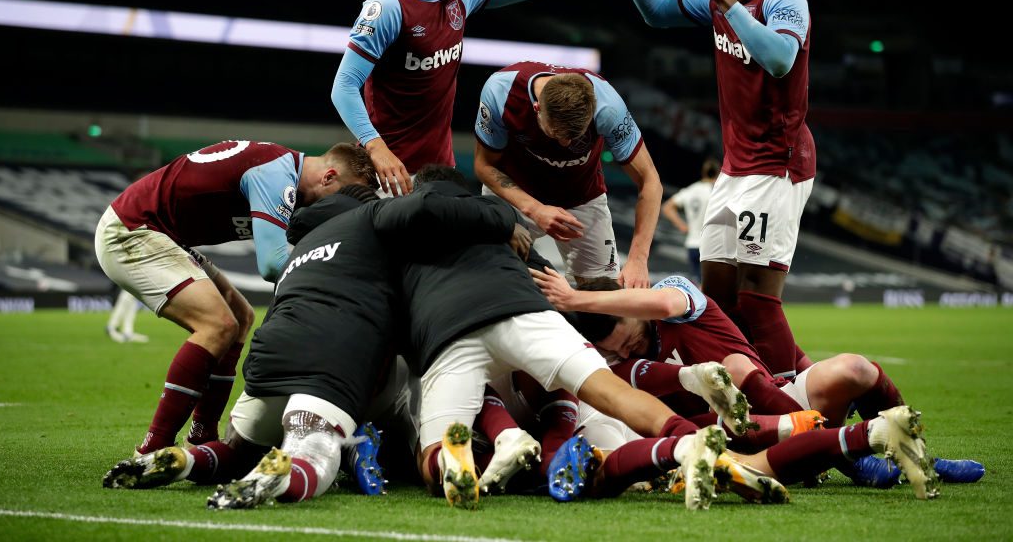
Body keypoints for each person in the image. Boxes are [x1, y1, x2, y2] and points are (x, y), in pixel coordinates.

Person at [103, 181, 528, 508]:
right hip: (330, 355)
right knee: (316, 449)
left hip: (269, 355)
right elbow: (426, 207)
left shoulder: (305, 244)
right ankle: (291, 475)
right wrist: (503, 218)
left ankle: (186, 461)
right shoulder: (375, 222)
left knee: (238, 451)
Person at [401, 166, 767, 511]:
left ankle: (476, 451)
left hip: (453, 329)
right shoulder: (500, 224)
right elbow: (545, 277)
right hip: (530, 314)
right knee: (615, 395)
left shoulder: (404, 231)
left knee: (431, 453)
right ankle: (688, 442)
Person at [609, 0, 814, 380]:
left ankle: (798, 413)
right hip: (734, 166)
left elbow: (781, 59)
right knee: (717, 298)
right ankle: (775, 386)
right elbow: (655, 12)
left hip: (776, 164)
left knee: (758, 302)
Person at [532, 268, 979, 488]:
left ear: (629, 307)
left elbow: (666, 306)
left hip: (779, 399)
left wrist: (577, 297)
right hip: (732, 437)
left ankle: (911, 452)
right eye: (616, 351)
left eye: (626, 339)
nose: (625, 351)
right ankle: (853, 450)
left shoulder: (673, 291)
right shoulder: (617, 366)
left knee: (856, 368)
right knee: (725, 386)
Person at [95, 140, 376, 456]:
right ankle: (153, 449)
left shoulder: (285, 174)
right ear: (328, 177)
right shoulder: (276, 176)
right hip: (133, 229)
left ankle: (202, 436)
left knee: (240, 317)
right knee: (217, 323)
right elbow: (272, 264)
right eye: (342, 194)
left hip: (162, 234)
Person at [332, 0, 555, 196]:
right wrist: (377, 148)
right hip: (391, 170)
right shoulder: (387, 6)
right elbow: (344, 86)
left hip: (440, 168)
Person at [473, 62, 662, 288]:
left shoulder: (608, 106)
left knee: (603, 295)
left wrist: (638, 260)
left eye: (575, 137)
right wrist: (535, 209)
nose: (565, 144)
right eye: (556, 134)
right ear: (536, 108)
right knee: (489, 275)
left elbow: (650, 181)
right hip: (517, 192)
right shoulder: (501, 91)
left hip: (581, 196)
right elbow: (484, 165)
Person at [662, 158, 720, 283]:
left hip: (693, 244)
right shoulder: (718, 191)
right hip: (712, 246)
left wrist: (682, 225)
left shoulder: (691, 190)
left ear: (703, 172)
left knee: (700, 283)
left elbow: (667, 207)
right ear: (718, 173)